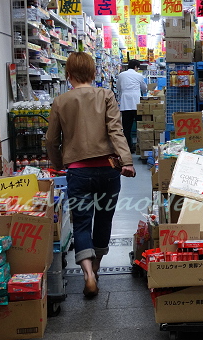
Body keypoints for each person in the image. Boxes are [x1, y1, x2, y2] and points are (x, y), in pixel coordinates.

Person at [46, 52, 136, 298]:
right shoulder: (106, 95)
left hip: (78, 172)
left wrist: (59, 164)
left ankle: (87, 274)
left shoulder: (61, 101)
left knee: (82, 222)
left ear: (68, 75)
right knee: (104, 219)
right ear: (94, 73)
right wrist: (127, 161)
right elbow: (116, 131)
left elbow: (51, 140)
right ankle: (96, 267)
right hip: (108, 169)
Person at [116, 59, 147, 153]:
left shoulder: (121, 75)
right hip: (137, 104)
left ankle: (128, 147)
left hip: (125, 104)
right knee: (140, 126)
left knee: (126, 128)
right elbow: (144, 88)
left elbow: (118, 88)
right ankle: (140, 146)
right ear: (136, 67)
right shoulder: (139, 75)